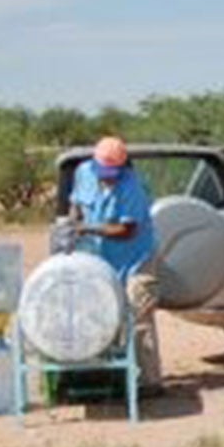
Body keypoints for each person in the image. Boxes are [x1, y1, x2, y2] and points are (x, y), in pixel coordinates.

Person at [67, 136, 163, 394]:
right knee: (105, 314)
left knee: (137, 313)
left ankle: (149, 382)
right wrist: (72, 222)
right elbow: (75, 204)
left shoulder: (133, 187)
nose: (107, 178)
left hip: (137, 258)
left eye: (113, 173)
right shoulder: (83, 172)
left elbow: (126, 230)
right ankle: (112, 373)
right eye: (103, 172)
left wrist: (87, 228)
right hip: (102, 258)